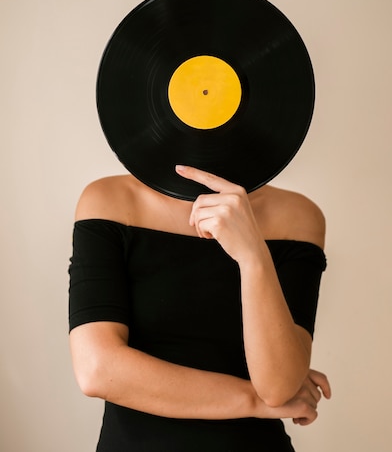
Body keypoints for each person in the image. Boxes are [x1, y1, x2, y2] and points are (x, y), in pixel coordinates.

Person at [68, 164, 331, 451]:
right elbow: (98, 370)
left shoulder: (297, 216)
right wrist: (254, 401)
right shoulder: (109, 199)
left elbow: (278, 387)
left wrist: (253, 254)